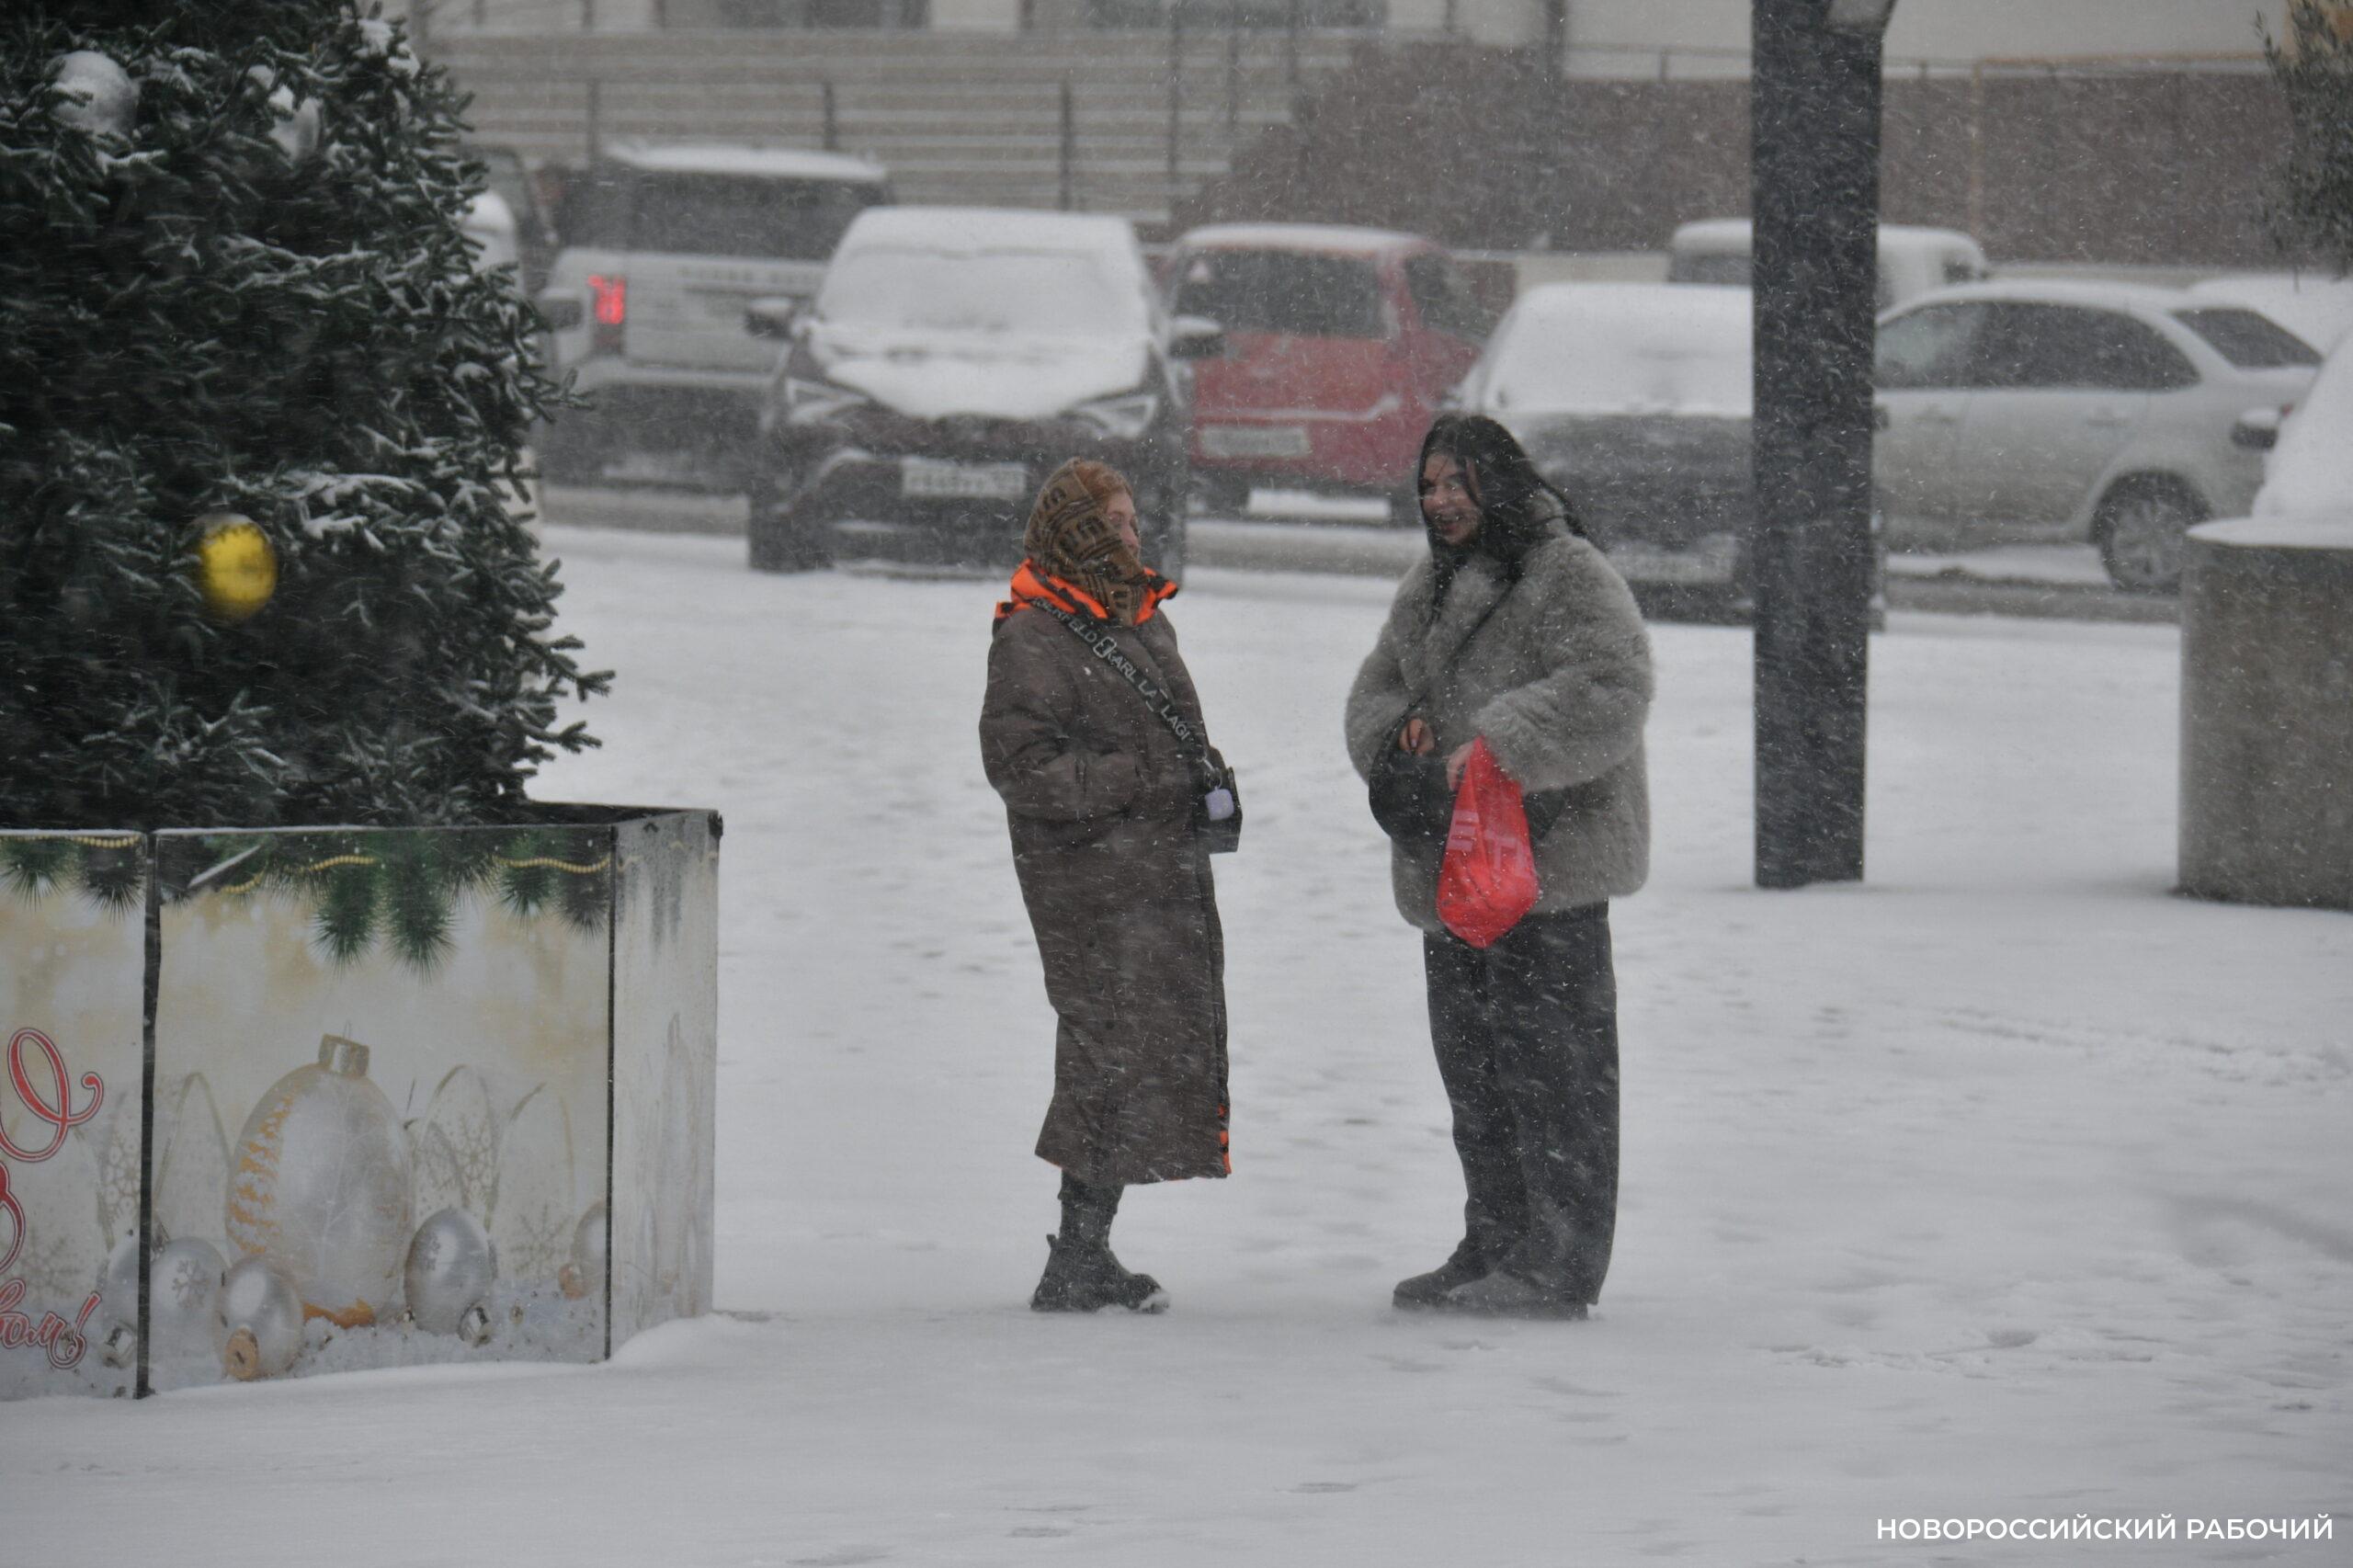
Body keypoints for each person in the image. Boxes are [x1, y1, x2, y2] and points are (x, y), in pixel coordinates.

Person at [1345, 414, 1653, 1318]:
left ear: (1499, 481)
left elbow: (1613, 685)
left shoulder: (1567, 571)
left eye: (1456, 482)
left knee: (1556, 1080)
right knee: (1476, 1075)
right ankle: (1494, 1238)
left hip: (1548, 869)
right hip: (1453, 869)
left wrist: (1497, 747)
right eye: (1428, 485)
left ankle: (1558, 1264)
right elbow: (1376, 688)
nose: (1439, 500)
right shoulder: (1428, 583)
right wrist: (1399, 738)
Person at [979, 459, 1233, 1314]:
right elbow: (1023, 768)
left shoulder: (1139, 616)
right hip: (1088, 880)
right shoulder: (1033, 635)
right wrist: (1142, 777)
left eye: (1132, 519)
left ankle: (1086, 1250)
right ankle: (1077, 1255)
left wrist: (1202, 776)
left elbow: (1170, 732)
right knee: (1106, 1047)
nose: (1131, 534)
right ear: (1076, 532)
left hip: (1154, 868)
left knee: (1139, 1048)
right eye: (1113, 522)